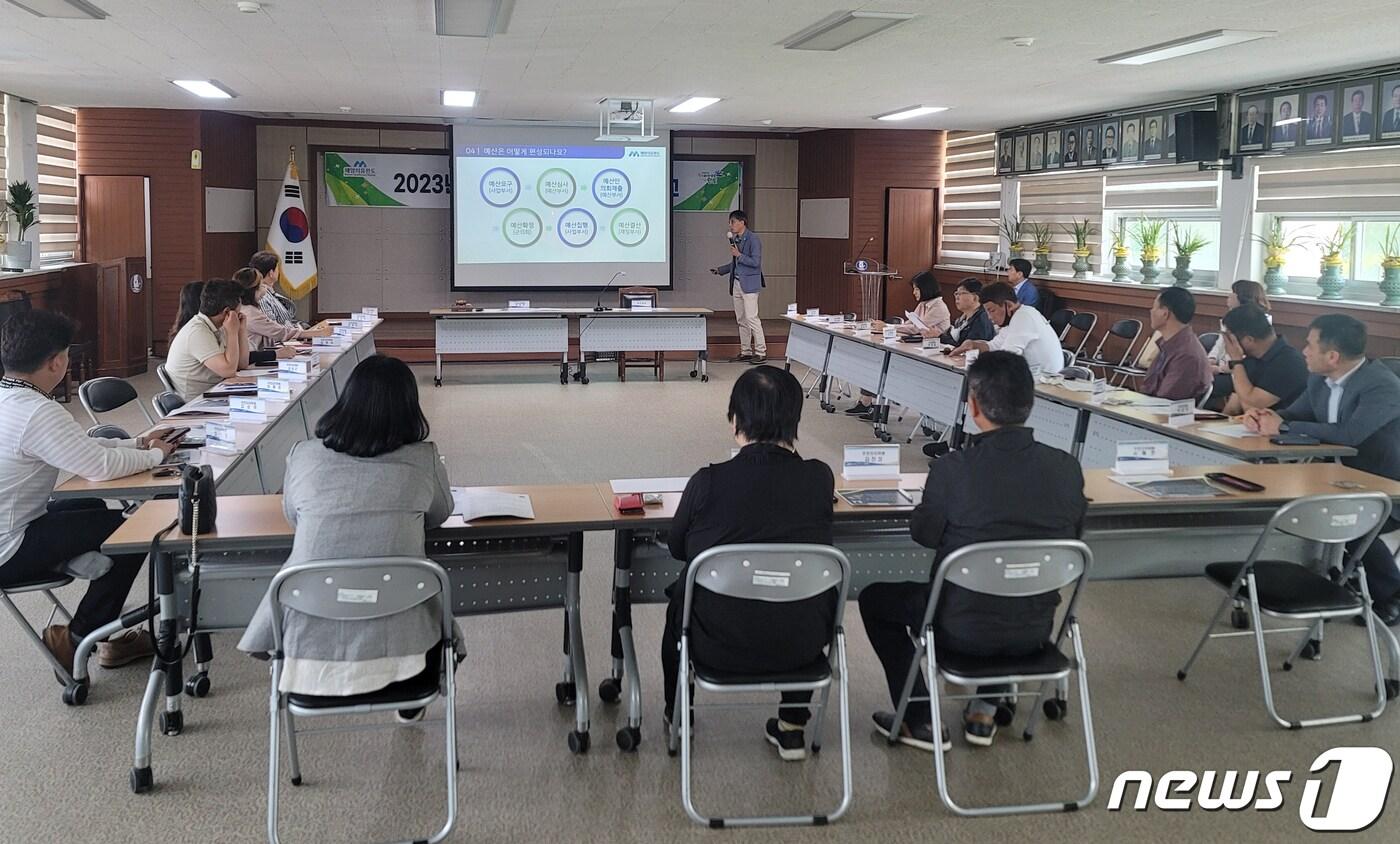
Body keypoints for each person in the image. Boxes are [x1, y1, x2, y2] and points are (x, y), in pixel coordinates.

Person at [861, 351, 1086, 750]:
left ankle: (919, 720)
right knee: (1010, 587)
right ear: (1030, 404)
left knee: (875, 599)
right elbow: (1072, 537)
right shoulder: (1067, 468)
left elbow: (924, 534)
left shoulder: (953, 469)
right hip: (1034, 631)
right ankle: (984, 708)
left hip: (958, 629)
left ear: (973, 405)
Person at [238, 355, 455, 703]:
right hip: (409, 659)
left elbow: (294, 516)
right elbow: (440, 515)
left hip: (306, 655)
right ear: (409, 409)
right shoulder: (422, 459)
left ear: (346, 401)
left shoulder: (304, 455)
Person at [660, 366, 837, 761]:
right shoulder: (820, 479)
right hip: (803, 645)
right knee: (796, 590)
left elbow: (678, 548)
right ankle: (792, 726)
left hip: (716, 643)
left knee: (680, 600)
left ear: (735, 420)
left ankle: (680, 714)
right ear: (795, 422)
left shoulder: (708, 481)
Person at [0, 311, 177, 676]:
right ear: (57, 361)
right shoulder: (38, 411)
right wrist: (157, 455)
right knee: (136, 532)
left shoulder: (12, 397)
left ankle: (95, 583)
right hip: (9, 548)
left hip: (15, 524)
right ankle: (81, 638)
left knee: (90, 505)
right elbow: (97, 468)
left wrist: (139, 443)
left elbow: (81, 450)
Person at [1243, 315, 1400, 624]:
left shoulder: (1382, 387)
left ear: (1333, 356)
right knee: (1304, 508)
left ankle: (1392, 591)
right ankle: (1341, 581)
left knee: (1348, 520)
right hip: (1340, 478)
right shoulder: (1319, 379)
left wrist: (1284, 425)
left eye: (1310, 345)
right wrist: (1264, 417)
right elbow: (1296, 413)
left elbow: (1350, 434)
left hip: (1388, 484)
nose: (1303, 351)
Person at [845, 271, 952, 417]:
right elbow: (910, 323)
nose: (914, 293)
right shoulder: (923, 304)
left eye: (916, 289)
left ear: (926, 288)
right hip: (916, 347)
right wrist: (887, 328)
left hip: (931, 354)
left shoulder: (938, 307)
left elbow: (916, 328)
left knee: (887, 366)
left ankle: (877, 407)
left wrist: (887, 327)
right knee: (875, 360)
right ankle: (867, 402)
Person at [164, 279, 252, 400]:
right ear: (227, 312)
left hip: (216, 391)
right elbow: (228, 371)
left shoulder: (217, 325)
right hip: (197, 402)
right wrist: (232, 332)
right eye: (238, 313)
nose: (239, 316)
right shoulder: (197, 331)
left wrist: (241, 330)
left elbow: (242, 364)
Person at [953, 281, 1064, 375]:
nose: (989, 317)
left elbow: (1006, 357)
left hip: (1045, 383)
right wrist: (973, 344)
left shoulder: (1024, 317)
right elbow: (995, 346)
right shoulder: (1013, 319)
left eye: (992, 310)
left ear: (1009, 305)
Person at [1215, 305, 1308, 416]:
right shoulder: (1251, 359)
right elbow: (1233, 408)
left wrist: (1236, 361)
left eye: (1229, 338)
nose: (1227, 344)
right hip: (1250, 426)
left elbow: (1253, 403)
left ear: (1248, 340)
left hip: (1282, 428)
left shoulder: (1289, 362)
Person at [711, 210, 765, 364]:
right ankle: (746, 351)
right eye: (730, 222)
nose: (731, 225)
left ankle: (761, 352)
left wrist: (739, 255)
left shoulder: (753, 239)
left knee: (752, 318)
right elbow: (735, 263)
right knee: (741, 319)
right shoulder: (736, 239)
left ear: (743, 222)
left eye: (733, 222)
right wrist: (721, 270)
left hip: (749, 285)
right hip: (736, 283)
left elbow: (755, 263)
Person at [1138, 287, 1209, 401]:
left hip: (1161, 414)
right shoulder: (1169, 344)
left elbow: (1165, 401)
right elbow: (1148, 387)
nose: (1151, 311)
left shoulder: (1186, 355)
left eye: (1154, 307)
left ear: (1165, 313)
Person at [232, 267, 329, 351]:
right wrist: (317, 333)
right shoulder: (250, 312)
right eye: (261, 285)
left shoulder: (246, 308)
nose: (264, 288)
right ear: (253, 290)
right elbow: (279, 332)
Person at [248, 250, 303, 328]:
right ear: (271, 273)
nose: (279, 271)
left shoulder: (269, 293)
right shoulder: (261, 296)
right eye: (277, 268)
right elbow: (271, 327)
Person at [939, 278, 996, 346]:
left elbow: (967, 348)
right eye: (956, 293)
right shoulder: (962, 318)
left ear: (975, 298)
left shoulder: (982, 320)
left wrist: (940, 337)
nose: (957, 297)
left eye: (961, 293)